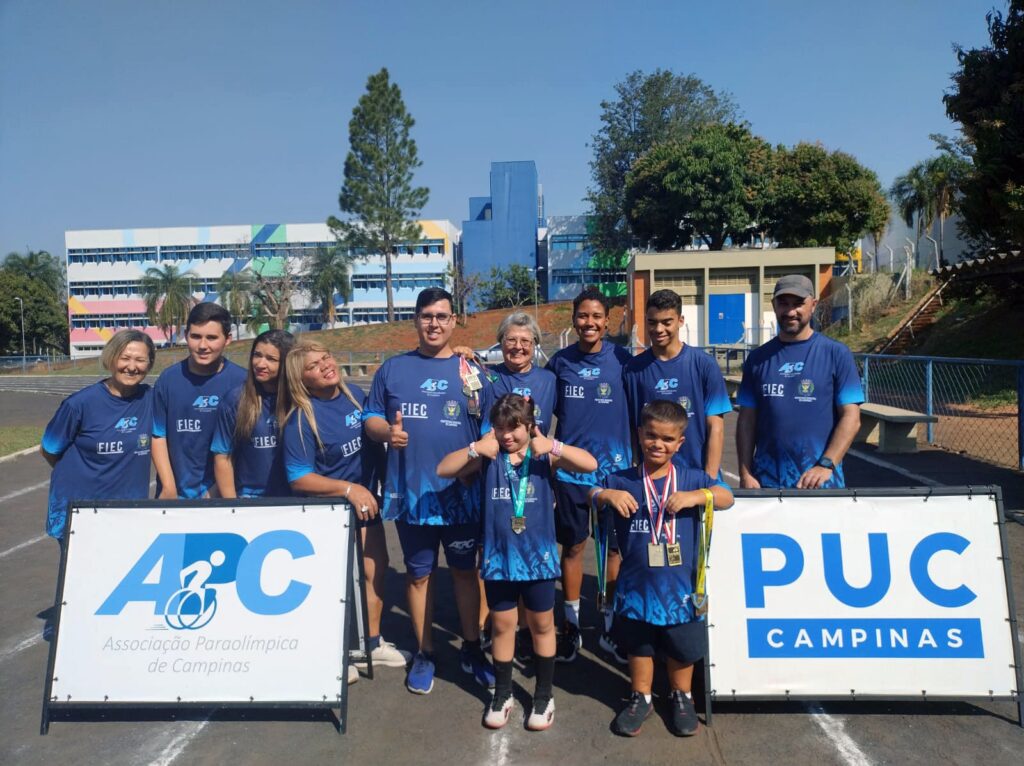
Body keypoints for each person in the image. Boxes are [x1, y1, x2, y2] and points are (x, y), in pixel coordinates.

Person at [437, 394, 597, 731]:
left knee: (541, 626)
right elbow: (443, 469)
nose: (507, 436)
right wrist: (474, 449)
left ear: (529, 427)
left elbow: (590, 464)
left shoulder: (542, 457)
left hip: (538, 560)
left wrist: (553, 446)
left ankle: (543, 694)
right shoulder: (489, 457)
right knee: (502, 626)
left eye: (515, 429)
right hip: (499, 559)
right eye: (500, 429)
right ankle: (504, 692)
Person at [363, 287, 494, 695]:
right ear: (415, 320)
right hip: (411, 496)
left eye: (442, 316)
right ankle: (425, 652)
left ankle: (472, 648)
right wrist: (388, 431)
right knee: (418, 577)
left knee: (465, 574)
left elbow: (491, 433)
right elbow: (370, 418)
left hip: (462, 496)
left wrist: (472, 468)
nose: (434, 323)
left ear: (454, 321)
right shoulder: (392, 370)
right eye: (426, 316)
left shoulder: (471, 370)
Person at [589, 400, 733, 737]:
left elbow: (727, 496)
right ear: (639, 434)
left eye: (668, 439)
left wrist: (697, 496)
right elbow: (590, 492)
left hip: (682, 587)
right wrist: (606, 495)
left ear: (680, 443)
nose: (658, 444)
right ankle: (641, 696)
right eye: (651, 435)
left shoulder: (691, 477)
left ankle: (681, 696)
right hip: (636, 587)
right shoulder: (622, 479)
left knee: (681, 646)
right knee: (639, 644)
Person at [280, 340, 410, 683]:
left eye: (326, 358)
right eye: (314, 366)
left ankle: (371, 643)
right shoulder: (300, 418)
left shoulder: (354, 394)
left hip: (366, 505)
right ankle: (335, 652)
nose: (325, 366)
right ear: (301, 379)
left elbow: (375, 443)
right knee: (333, 585)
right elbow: (298, 477)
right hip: (329, 512)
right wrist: (348, 489)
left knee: (375, 570)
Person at [546, 287, 633, 662]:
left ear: (607, 321)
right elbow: (538, 413)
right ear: (573, 319)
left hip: (616, 476)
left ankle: (611, 624)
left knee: (614, 549)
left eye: (597, 316)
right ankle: (571, 624)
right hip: (571, 476)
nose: (590, 323)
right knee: (575, 547)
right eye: (583, 315)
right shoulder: (559, 363)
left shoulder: (625, 361)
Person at [736, 274, 863, 489]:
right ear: (774, 306)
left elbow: (852, 417)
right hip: (767, 482)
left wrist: (825, 465)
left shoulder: (836, 354)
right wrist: (745, 472)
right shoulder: (757, 359)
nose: (790, 311)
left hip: (820, 484)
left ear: (813, 305)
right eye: (783, 304)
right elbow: (747, 421)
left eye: (798, 304)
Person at [41, 329, 156, 541]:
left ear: (149, 364)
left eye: (140, 360)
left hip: (127, 511)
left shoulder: (151, 399)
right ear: (111, 358)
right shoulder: (79, 404)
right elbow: (49, 450)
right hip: (78, 512)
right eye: (125, 358)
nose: (132, 367)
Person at [624, 289, 732, 476]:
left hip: (695, 475)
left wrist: (710, 478)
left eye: (667, 322)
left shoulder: (704, 364)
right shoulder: (633, 369)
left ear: (680, 321)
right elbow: (634, 428)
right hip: (651, 479)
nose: (658, 329)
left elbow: (715, 427)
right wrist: (635, 468)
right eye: (652, 322)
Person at [151, 302, 247, 499]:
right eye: (196, 336)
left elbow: (245, 446)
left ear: (227, 339)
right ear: (186, 335)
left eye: (212, 338)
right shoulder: (168, 379)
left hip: (223, 494)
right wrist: (168, 487)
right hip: (175, 496)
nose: (203, 346)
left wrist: (216, 491)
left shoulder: (243, 382)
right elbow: (158, 435)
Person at [211, 329, 294, 498]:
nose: (260, 364)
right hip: (251, 499)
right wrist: (232, 507)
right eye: (257, 355)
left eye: (271, 359)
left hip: (295, 499)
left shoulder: (300, 399)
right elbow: (222, 457)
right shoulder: (235, 399)